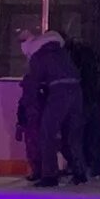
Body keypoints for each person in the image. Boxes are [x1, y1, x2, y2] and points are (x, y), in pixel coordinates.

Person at [18, 27, 89, 185]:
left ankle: (49, 175)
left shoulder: (39, 55)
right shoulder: (60, 51)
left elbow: (33, 83)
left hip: (59, 93)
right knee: (73, 134)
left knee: (47, 133)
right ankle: (80, 171)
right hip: (77, 91)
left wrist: (28, 104)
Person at [66, 34, 100, 180]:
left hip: (84, 99)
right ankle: (96, 168)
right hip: (97, 100)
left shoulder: (75, 58)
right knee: (96, 134)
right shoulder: (96, 59)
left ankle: (82, 166)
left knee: (80, 134)